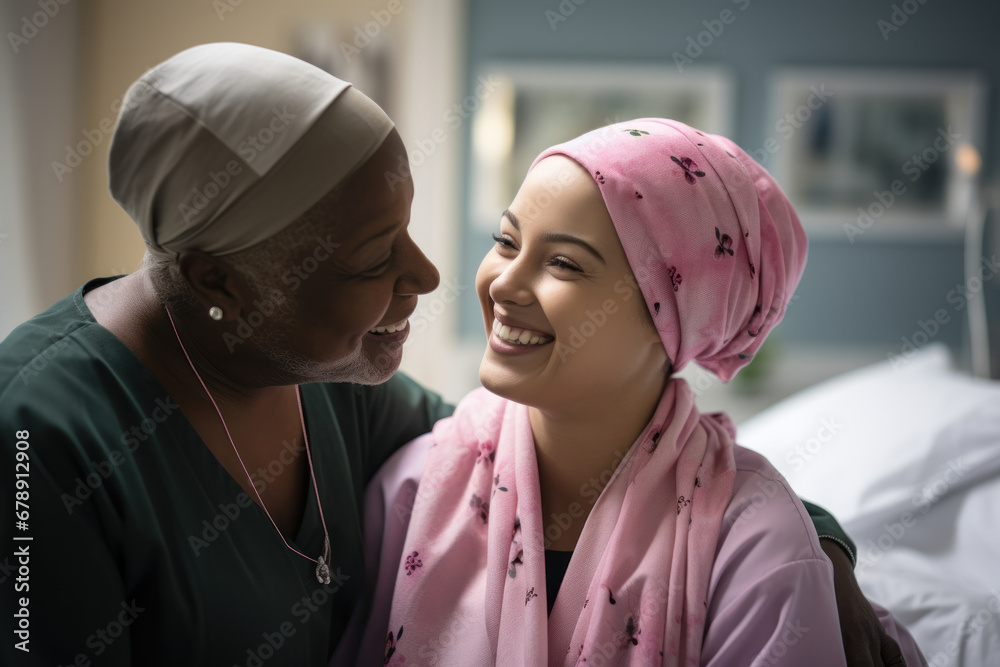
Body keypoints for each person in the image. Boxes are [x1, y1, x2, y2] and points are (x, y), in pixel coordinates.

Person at [0, 43, 896, 666]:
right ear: (218, 283)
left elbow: (588, 457)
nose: (434, 275)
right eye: (370, 259)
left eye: (410, 230)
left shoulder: (342, 391)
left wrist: (812, 541)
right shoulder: (40, 442)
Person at [341, 119, 928, 665]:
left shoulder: (760, 550)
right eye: (507, 241)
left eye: (565, 264)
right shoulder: (415, 488)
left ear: (674, 316)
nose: (505, 283)